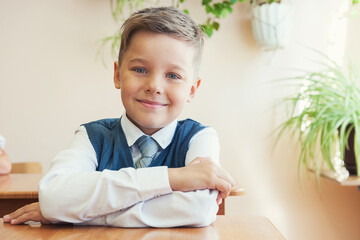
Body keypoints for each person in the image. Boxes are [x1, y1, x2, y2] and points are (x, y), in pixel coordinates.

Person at [3, 7, 235, 227]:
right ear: (117, 75)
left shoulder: (200, 138)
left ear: (192, 90)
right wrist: (173, 178)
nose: (154, 86)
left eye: (173, 75)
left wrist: (79, 214)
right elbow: (54, 196)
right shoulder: (92, 136)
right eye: (140, 70)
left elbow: (199, 209)